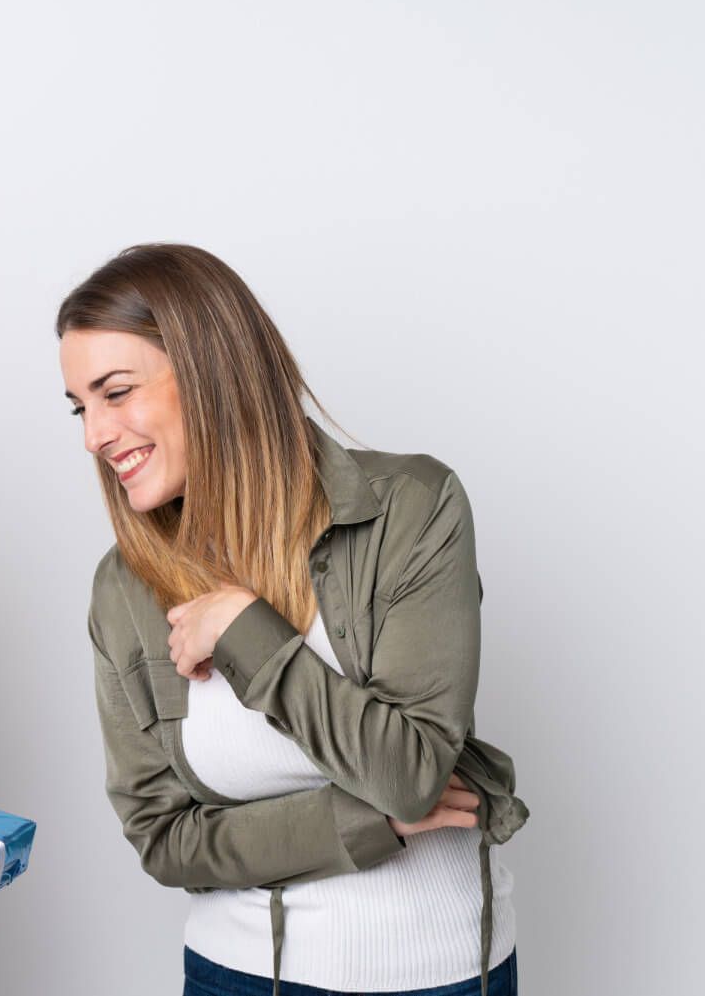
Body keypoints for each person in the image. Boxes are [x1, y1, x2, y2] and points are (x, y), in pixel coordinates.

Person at [58, 244, 528, 996]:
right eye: (81, 407)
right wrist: (363, 823)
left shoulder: (412, 506)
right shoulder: (123, 589)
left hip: (444, 976)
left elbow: (408, 772)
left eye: (116, 392)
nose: (94, 435)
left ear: (212, 372)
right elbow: (165, 838)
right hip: (239, 977)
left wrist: (248, 628)